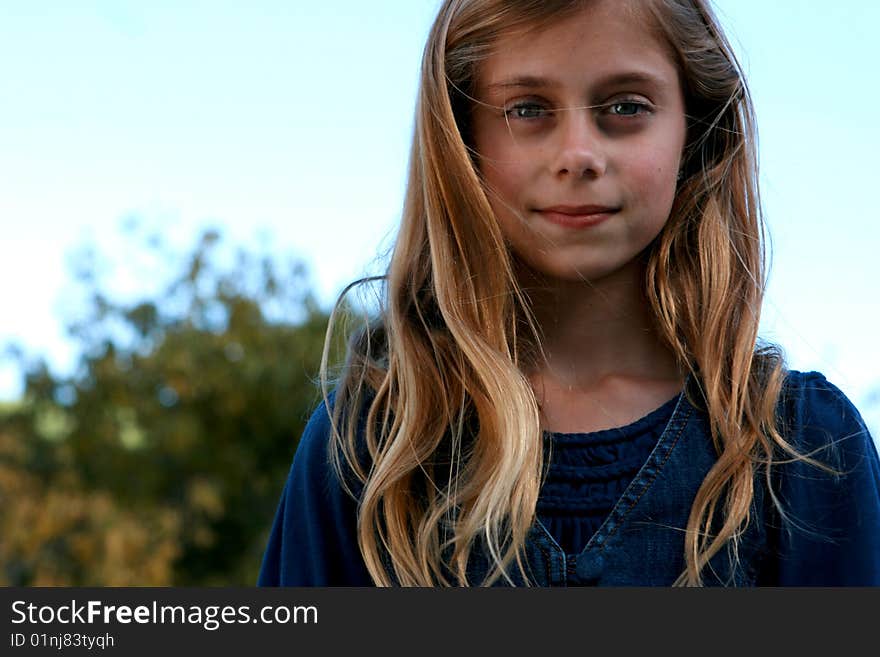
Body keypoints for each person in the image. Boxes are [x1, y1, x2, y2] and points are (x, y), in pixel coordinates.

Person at [258, 0, 880, 586]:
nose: (578, 155)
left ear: (695, 132)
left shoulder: (804, 450)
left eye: (627, 106)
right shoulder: (375, 447)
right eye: (527, 109)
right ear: (463, 141)